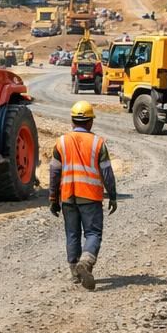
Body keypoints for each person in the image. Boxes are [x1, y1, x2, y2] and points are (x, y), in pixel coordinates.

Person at [48, 100, 117, 290]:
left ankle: (75, 273)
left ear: (72, 121)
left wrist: (53, 198)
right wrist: (112, 195)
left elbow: (54, 172)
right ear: (90, 122)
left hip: (68, 196)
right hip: (90, 196)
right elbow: (107, 173)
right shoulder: (98, 143)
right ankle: (85, 263)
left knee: (72, 234)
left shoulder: (61, 142)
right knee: (93, 233)